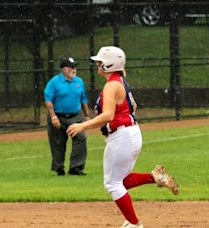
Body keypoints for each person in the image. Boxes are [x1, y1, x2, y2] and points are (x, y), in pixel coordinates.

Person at [67, 46, 179, 227]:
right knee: (121, 181)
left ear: (110, 64)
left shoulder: (112, 85)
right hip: (130, 133)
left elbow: (108, 116)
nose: (98, 65)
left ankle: (134, 223)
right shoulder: (120, 81)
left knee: (112, 184)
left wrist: (82, 125)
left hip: (122, 137)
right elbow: (132, 106)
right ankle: (155, 177)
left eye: (101, 62)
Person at [44, 57, 91, 176]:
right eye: (72, 67)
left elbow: (83, 99)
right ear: (64, 69)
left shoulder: (79, 82)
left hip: (76, 116)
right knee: (58, 142)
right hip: (58, 116)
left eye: (75, 67)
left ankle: (76, 167)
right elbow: (48, 100)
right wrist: (53, 116)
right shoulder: (54, 82)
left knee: (81, 137)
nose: (75, 69)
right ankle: (59, 168)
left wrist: (87, 115)